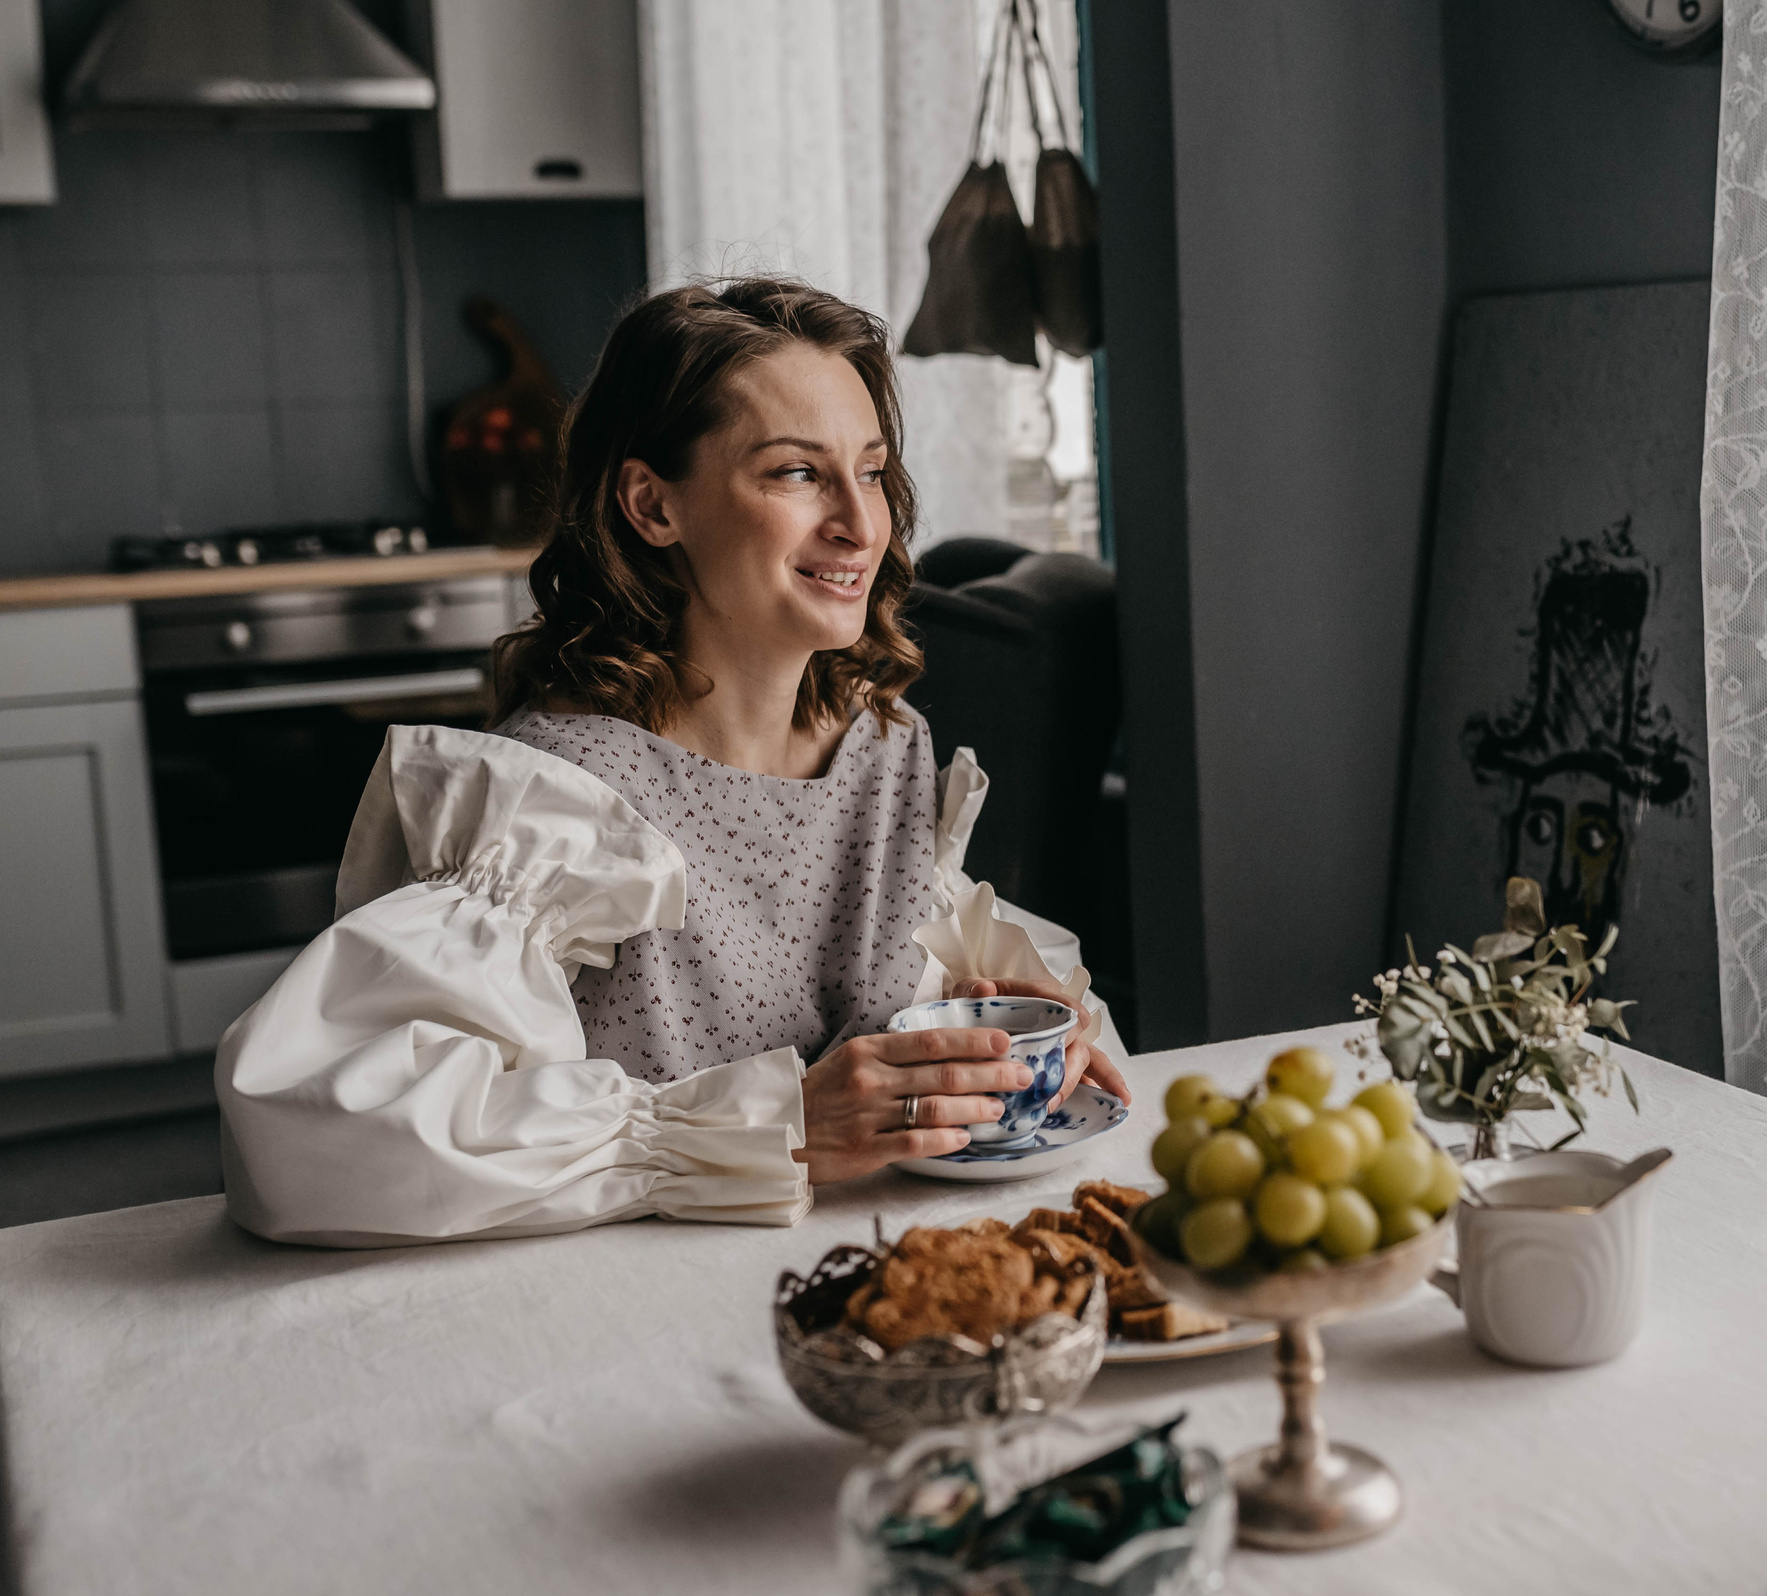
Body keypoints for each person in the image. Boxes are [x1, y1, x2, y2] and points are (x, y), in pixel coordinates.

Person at [218, 278, 1128, 1247]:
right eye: (793, 474)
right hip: (630, 1301)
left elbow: (882, 985)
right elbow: (312, 1144)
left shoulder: (885, 742)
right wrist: (768, 1132)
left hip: (862, 1266)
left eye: (870, 472)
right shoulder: (553, 799)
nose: (862, 527)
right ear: (652, 505)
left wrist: (994, 1024)